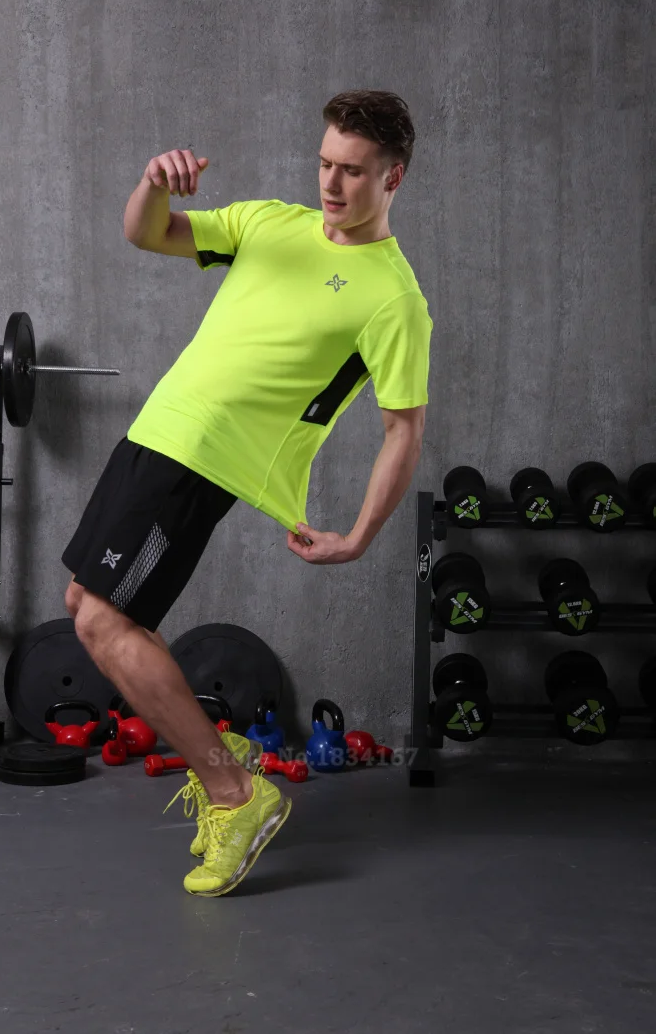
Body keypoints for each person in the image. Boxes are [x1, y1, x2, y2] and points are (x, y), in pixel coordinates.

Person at [62, 89, 432, 897]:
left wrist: (358, 536)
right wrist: (153, 181)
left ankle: (235, 792)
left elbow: (402, 428)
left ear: (393, 176)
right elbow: (147, 231)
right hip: (157, 431)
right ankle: (221, 758)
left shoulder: (393, 297)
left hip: (209, 458)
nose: (331, 183)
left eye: (353, 171)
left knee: (102, 620)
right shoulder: (270, 222)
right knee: (87, 604)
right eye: (325, 163)